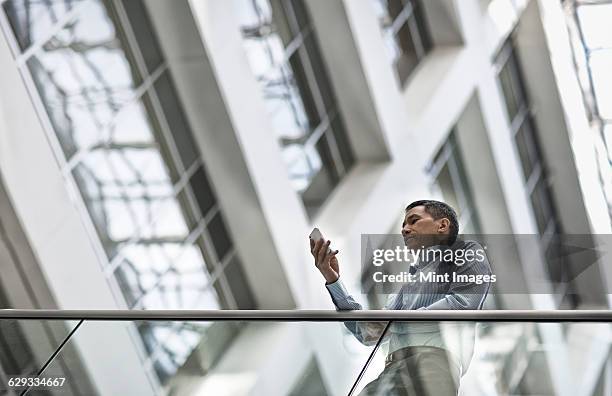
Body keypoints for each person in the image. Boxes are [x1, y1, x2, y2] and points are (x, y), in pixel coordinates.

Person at [309, 200, 492, 396]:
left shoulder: (467, 252)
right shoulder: (407, 286)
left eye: (414, 221)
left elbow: (461, 306)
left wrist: (393, 322)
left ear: (442, 225)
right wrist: (332, 278)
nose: (405, 229)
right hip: (391, 369)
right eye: (404, 225)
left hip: (433, 362)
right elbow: (369, 331)